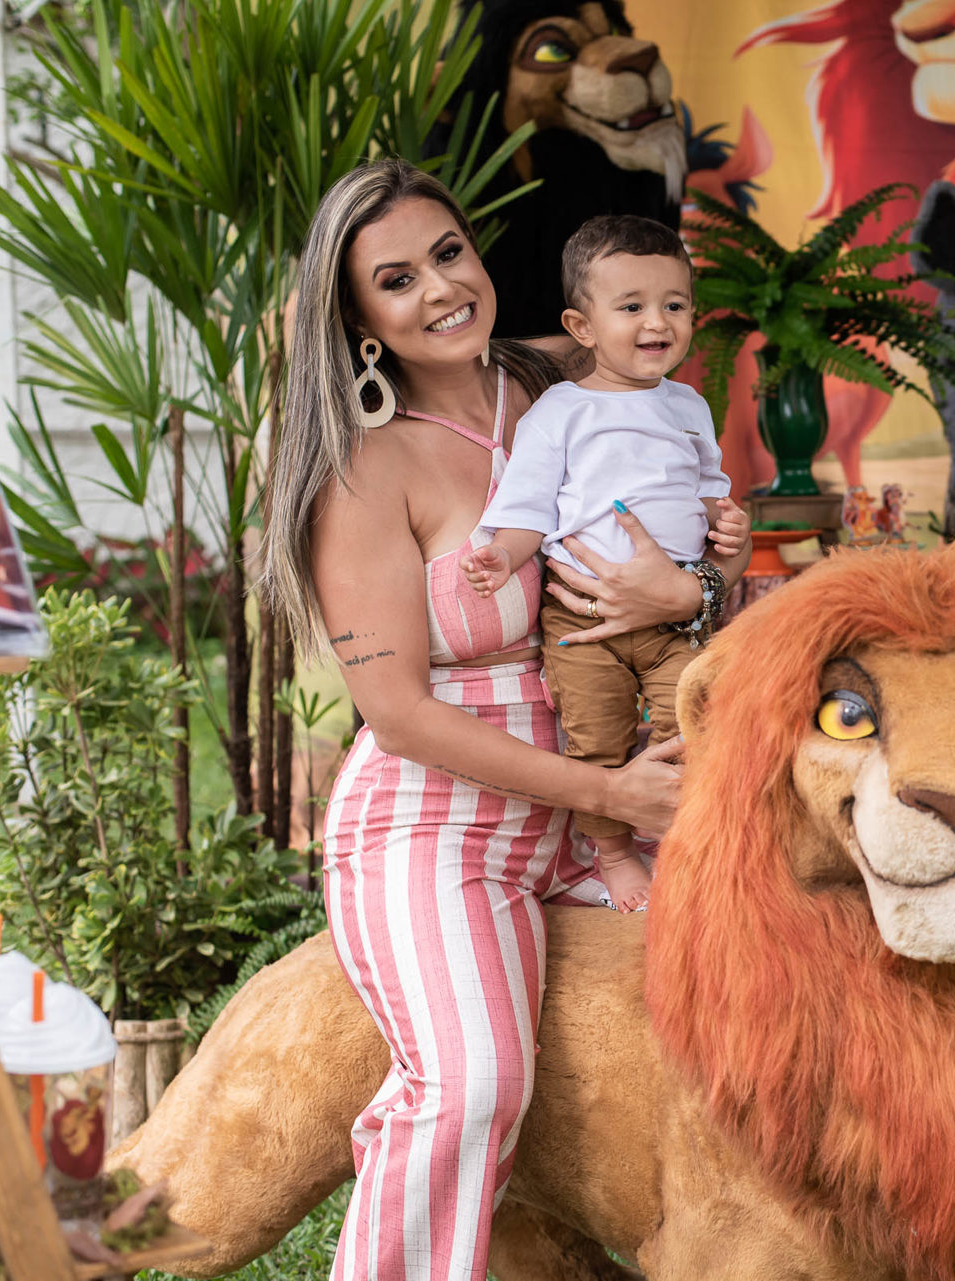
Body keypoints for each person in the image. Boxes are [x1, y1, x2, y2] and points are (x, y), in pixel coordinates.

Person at [257, 160, 712, 1281]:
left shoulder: (571, 378)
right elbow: (399, 715)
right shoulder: (365, 471)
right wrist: (608, 794)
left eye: (448, 253)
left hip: (602, 806)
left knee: (764, 977)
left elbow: (694, 542)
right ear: (359, 321)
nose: (440, 290)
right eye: (396, 280)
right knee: (470, 1086)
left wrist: (689, 591)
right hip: (438, 824)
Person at [462, 215, 750, 911]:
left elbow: (707, 490)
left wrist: (727, 522)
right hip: (582, 625)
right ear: (582, 326)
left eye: (674, 305)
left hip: (675, 620)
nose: (657, 322)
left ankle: (690, 846)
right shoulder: (560, 412)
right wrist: (502, 554)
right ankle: (615, 854)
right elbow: (529, 508)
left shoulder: (688, 406)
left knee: (697, 723)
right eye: (632, 307)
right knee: (596, 738)